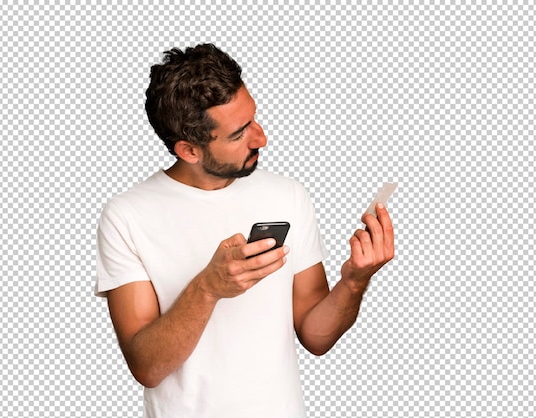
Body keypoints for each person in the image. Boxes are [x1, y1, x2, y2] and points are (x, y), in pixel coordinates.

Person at [95, 43, 394, 418]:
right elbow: (147, 368)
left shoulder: (287, 195)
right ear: (188, 150)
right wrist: (207, 288)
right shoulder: (127, 215)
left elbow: (316, 338)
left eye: (254, 119)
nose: (261, 138)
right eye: (239, 135)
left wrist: (354, 281)